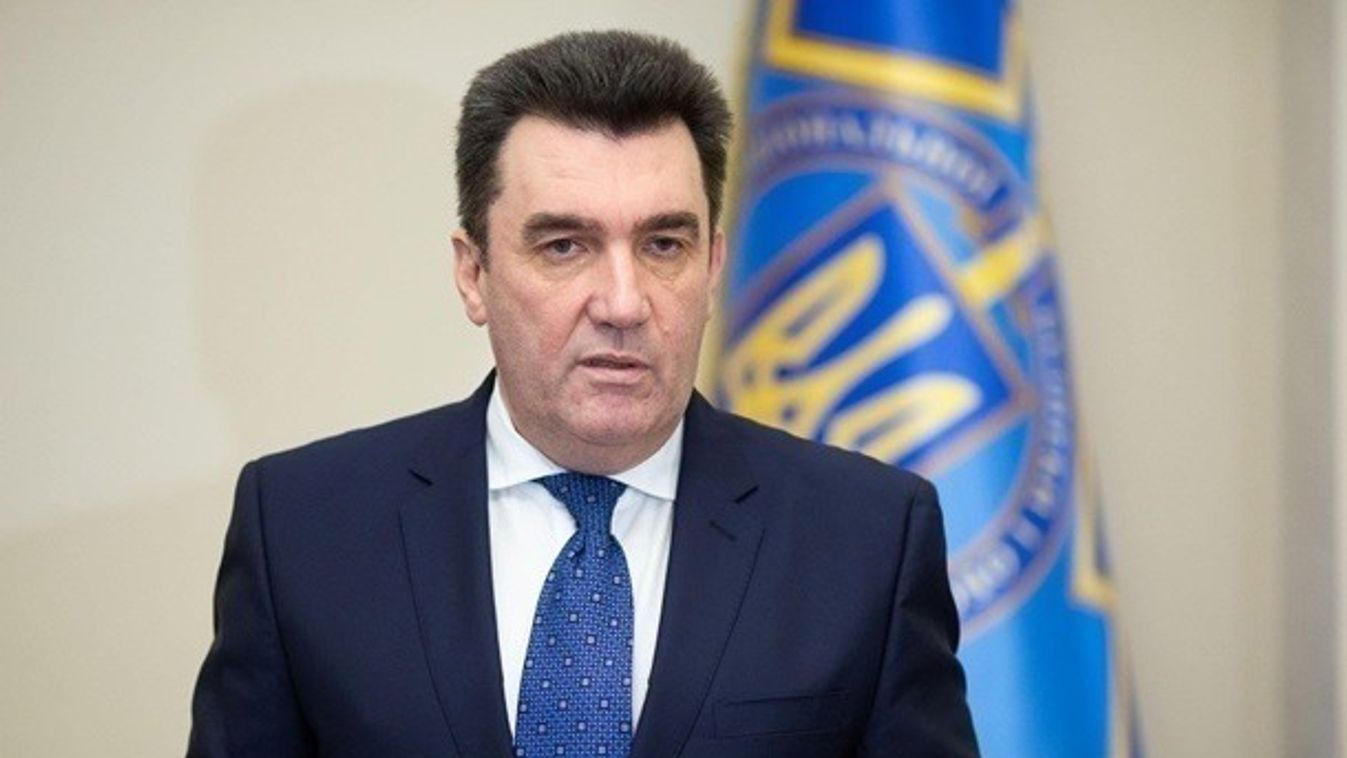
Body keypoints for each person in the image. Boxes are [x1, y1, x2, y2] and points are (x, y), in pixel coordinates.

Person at [188, 30, 978, 757]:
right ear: (473, 274)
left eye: (663, 244)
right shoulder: (301, 529)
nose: (623, 304)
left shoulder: (867, 538)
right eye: (564, 246)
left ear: (710, 269)